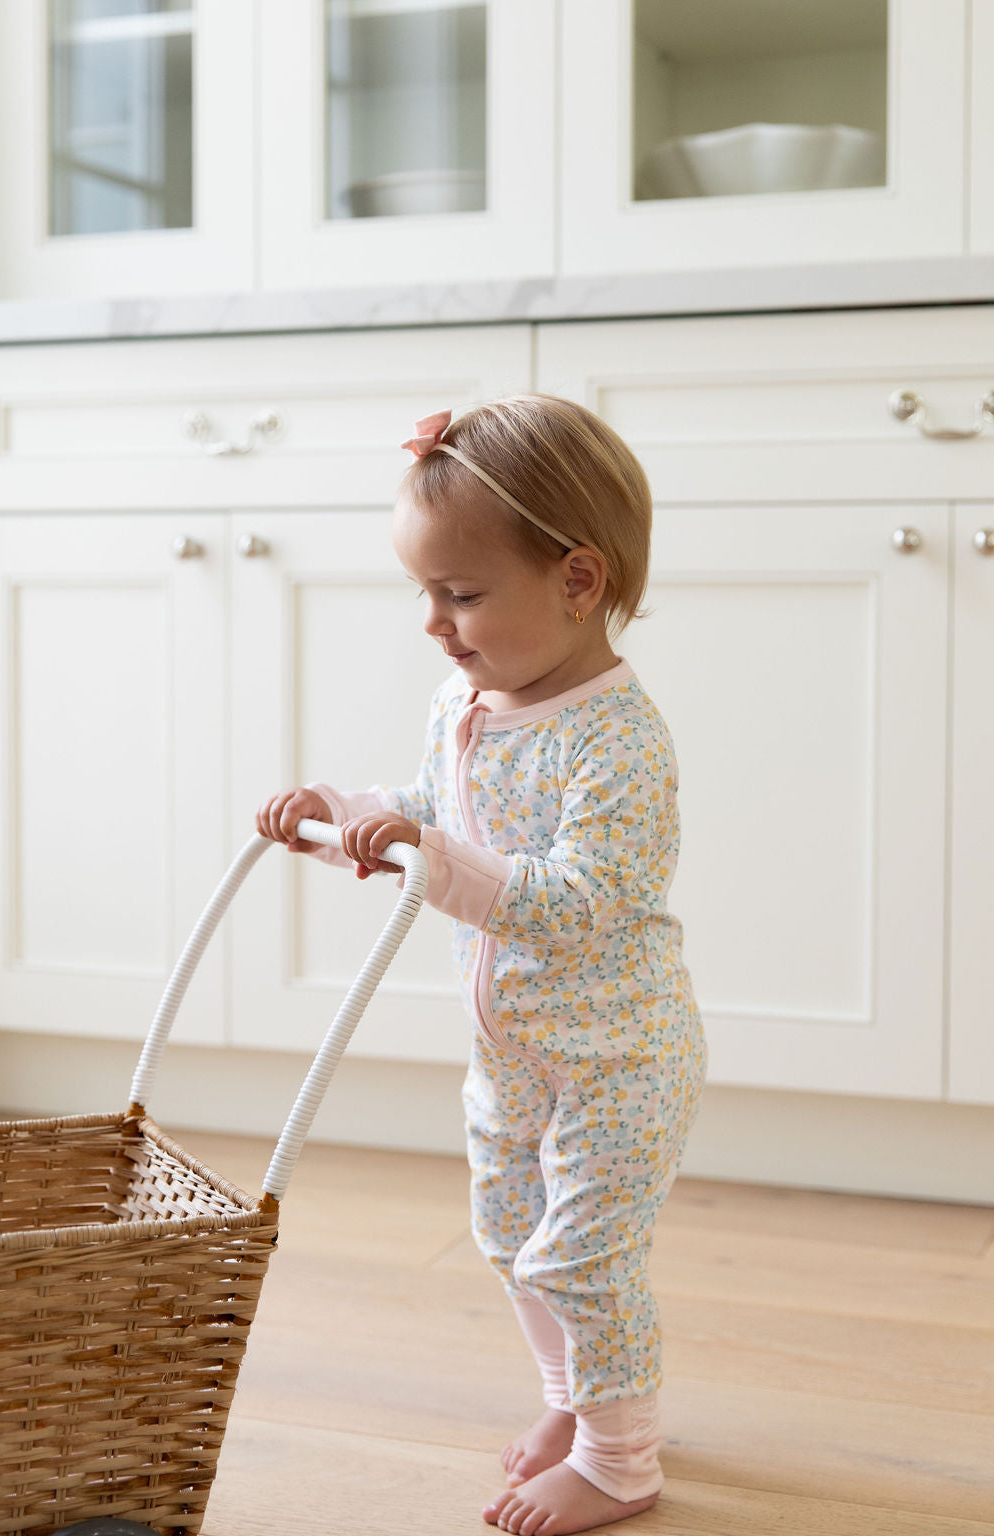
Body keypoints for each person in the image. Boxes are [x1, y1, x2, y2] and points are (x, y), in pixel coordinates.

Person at [256, 395, 707, 1536]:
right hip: (509, 1049)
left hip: (617, 1058)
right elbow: (432, 811)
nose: (433, 624)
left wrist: (434, 857)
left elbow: (580, 904)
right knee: (509, 1236)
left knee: (583, 1258)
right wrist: (353, 815)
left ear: (577, 582)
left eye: (460, 595)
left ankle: (620, 1460)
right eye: (424, 593)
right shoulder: (464, 704)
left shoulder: (618, 740)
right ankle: (570, 1399)